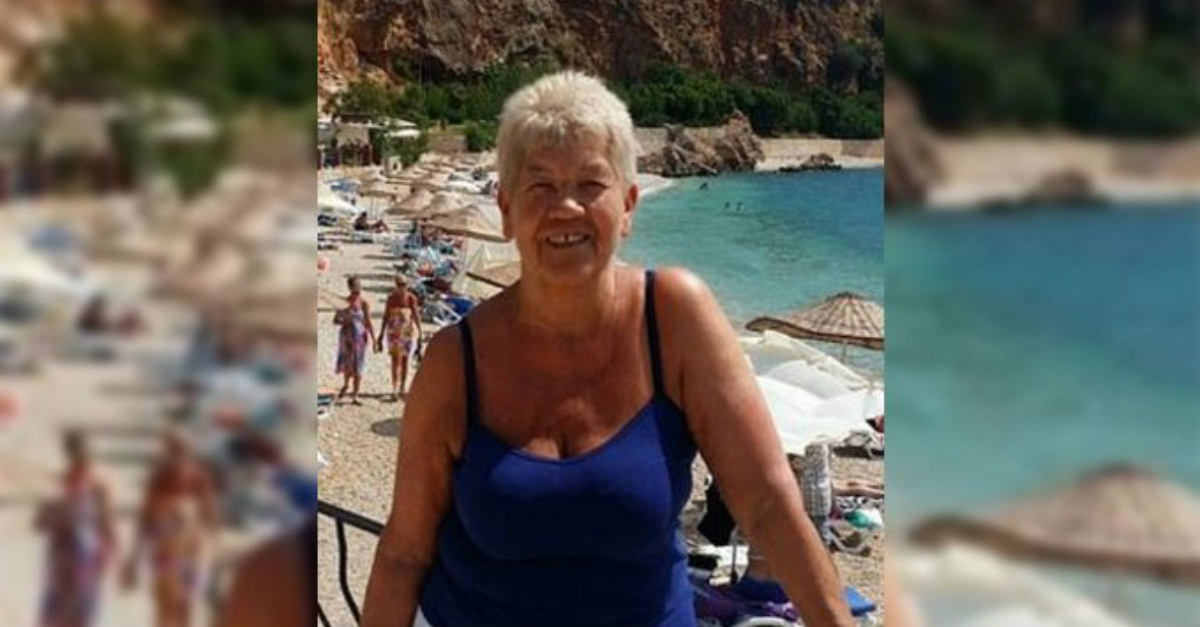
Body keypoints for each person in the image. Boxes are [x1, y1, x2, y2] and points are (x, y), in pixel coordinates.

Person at [361, 71, 853, 627]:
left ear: (629, 206)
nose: (566, 206)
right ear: (506, 209)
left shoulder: (673, 317)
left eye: (591, 183)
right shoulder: (456, 360)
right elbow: (404, 553)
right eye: (540, 185)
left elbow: (767, 504)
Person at [123, 431, 219, 627]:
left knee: (175, 605)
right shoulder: (173, 477)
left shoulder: (182, 476)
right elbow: (210, 516)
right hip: (180, 545)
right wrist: (134, 557)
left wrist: (134, 556)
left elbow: (145, 516)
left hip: (181, 545)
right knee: (175, 605)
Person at [35, 431, 117, 627]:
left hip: (84, 557)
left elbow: (108, 524)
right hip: (67, 556)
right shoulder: (63, 485)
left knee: (77, 612)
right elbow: (41, 522)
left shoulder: (96, 486)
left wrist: (110, 553)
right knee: (64, 613)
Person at [378, 274, 423, 400]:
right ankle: (394, 388)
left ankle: (402, 387)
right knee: (395, 359)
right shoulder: (391, 299)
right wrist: (381, 334)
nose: (402, 287)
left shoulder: (411, 298)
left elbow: (416, 315)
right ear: (396, 285)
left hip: (407, 332)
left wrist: (420, 331)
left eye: (404, 284)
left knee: (405, 360)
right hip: (394, 332)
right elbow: (386, 316)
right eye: (400, 285)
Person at [334, 276, 374, 405]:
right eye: (355, 288)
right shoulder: (343, 303)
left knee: (359, 365)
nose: (357, 290)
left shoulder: (364, 303)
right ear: (350, 288)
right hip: (347, 336)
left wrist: (374, 338)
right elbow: (335, 320)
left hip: (360, 337)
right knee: (347, 364)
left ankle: (355, 394)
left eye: (359, 287)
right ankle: (346, 384)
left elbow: (368, 321)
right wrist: (345, 320)